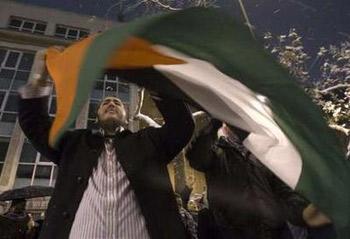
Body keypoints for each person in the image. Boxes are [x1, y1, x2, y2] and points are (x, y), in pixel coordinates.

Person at [18, 49, 195, 239]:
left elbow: (182, 126)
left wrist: (152, 79)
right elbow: (35, 126)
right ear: (97, 117)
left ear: (126, 119)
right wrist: (38, 78)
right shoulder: (74, 144)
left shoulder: (149, 142)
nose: (111, 103)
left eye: (117, 103)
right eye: (106, 103)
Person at [186, 118, 330, 239]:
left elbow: (284, 192)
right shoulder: (217, 153)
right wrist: (213, 124)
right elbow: (197, 158)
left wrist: (305, 212)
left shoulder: (265, 155)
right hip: (235, 233)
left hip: (272, 233)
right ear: (225, 125)